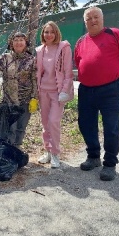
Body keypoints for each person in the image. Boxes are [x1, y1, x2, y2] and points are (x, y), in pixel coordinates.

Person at [74, 6, 119, 181]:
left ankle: (110, 164)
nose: (93, 21)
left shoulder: (115, 34)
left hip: (110, 90)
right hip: (86, 90)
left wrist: (118, 73)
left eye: (96, 17)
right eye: (89, 18)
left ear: (102, 19)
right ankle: (93, 157)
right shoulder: (80, 42)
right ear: (85, 22)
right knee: (86, 124)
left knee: (111, 127)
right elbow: (78, 62)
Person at [35, 21, 74, 168]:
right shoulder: (40, 50)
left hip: (58, 93)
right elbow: (38, 73)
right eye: (46, 32)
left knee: (53, 122)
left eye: (52, 32)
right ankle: (48, 152)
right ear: (43, 34)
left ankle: (56, 153)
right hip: (43, 91)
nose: (49, 34)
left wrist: (65, 91)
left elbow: (68, 72)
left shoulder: (64, 47)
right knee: (45, 123)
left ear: (56, 33)